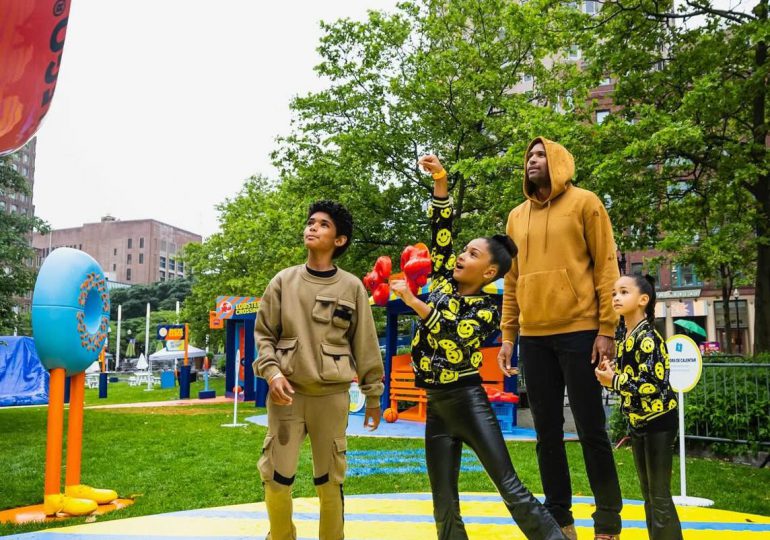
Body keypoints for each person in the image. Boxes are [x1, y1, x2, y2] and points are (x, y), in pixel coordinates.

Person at [391, 155, 566, 540]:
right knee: (443, 500)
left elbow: (451, 335)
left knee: (511, 488)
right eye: (463, 250)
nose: (461, 255)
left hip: (468, 402)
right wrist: (439, 178)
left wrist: (415, 304)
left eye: (472, 254)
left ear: (489, 272)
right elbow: (441, 226)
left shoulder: (487, 307)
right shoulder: (440, 281)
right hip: (437, 406)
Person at [497, 137, 623, 540]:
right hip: (534, 337)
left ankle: (607, 522)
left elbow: (606, 266)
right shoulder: (516, 216)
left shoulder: (586, 203)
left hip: (581, 332)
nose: (531, 161)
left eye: (539, 155)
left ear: (558, 162)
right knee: (546, 433)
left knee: (591, 429)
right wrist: (508, 335)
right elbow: (512, 279)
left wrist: (607, 328)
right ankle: (559, 520)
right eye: (528, 157)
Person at [254, 200, 384, 540]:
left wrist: (373, 397)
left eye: (323, 224)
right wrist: (272, 373)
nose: (312, 227)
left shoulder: (352, 287)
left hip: (332, 397)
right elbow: (264, 335)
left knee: (330, 481)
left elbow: (366, 345)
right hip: (287, 397)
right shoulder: (283, 282)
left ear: (339, 240)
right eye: (311, 222)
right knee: (277, 478)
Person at [595, 275, 683, 540]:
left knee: (658, 495)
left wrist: (615, 380)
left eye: (623, 292)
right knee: (650, 494)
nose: (616, 298)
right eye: (613, 293)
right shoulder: (625, 336)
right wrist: (608, 376)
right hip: (639, 422)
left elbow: (653, 384)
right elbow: (627, 382)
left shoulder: (649, 338)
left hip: (658, 421)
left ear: (643, 300)